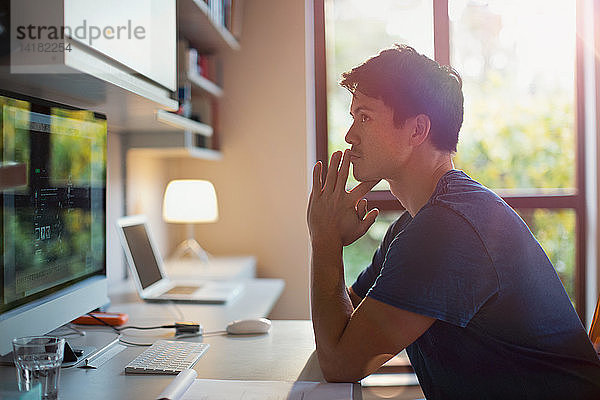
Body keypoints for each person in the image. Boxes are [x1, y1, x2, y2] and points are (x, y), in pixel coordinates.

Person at [306, 44, 600, 399]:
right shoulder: (414, 225)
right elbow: (343, 326)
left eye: (365, 117)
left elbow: (340, 363)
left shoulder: (447, 229)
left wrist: (325, 241)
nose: (350, 135)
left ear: (417, 131)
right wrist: (329, 240)